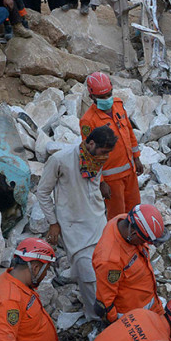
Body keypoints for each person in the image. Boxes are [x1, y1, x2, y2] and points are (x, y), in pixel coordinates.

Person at [37, 125, 117, 320]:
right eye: (103, 151)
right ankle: (95, 316)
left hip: (97, 220)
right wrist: (53, 223)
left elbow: (93, 180)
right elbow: (43, 192)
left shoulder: (96, 159)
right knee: (88, 275)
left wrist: (101, 184)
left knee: (104, 268)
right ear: (90, 143)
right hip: (74, 226)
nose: (105, 157)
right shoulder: (60, 160)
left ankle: (107, 305)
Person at [80, 72, 144, 218]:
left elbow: (129, 132)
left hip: (130, 171)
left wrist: (137, 157)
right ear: (91, 97)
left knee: (135, 210)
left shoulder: (118, 105)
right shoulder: (88, 121)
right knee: (117, 216)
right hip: (112, 179)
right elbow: (89, 155)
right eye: (101, 97)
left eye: (108, 95)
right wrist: (101, 182)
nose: (106, 99)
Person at [93, 203, 166, 322]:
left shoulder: (122, 220)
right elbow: (105, 301)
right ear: (133, 233)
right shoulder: (110, 260)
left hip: (151, 303)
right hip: (134, 316)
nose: (144, 244)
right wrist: (116, 324)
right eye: (144, 241)